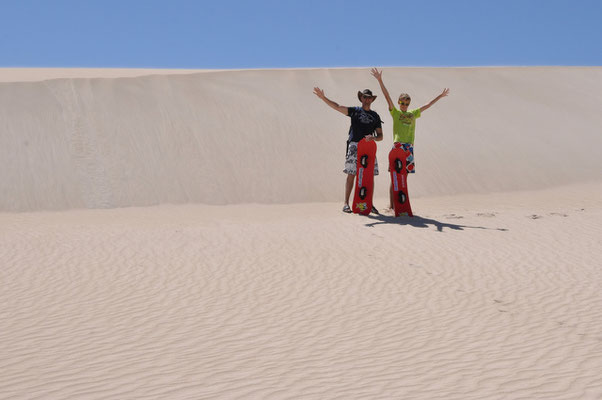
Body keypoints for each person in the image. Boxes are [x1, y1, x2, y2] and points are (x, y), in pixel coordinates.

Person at [370, 68, 449, 210]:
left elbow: (428, 105)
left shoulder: (413, 113)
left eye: (406, 103)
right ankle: (392, 206)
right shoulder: (395, 112)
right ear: (399, 102)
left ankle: (401, 204)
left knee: (404, 177)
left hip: (409, 148)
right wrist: (380, 80)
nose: (404, 105)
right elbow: (387, 97)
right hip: (398, 146)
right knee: (394, 176)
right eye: (402, 102)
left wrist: (440, 96)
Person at [313, 86, 384, 213]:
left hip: (369, 148)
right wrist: (324, 98)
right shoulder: (355, 111)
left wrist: (373, 138)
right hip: (355, 146)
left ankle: (369, 203)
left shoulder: (375, 116)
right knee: (351, 174)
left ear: (372, 100)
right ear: (361, 98)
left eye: (369, 98)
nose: (367, 99)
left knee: (369, 176)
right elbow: (338, 107)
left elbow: (380, 136)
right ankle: (346, 203)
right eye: (365, 97)